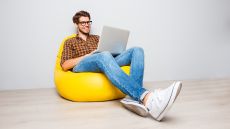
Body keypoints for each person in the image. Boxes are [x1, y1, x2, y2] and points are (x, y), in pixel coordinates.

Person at [60, 10, 182, 121]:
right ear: (76, 24)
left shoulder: (97, 38)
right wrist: (88, 56)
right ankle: (147, 98)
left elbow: (108, 53)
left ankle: (135, 100)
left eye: (88, 22)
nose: (87, 25)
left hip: (105, 60)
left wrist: (115, 50)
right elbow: (65, 65)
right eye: (83, 23)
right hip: (82, 65)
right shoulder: (70, 42)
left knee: (137, 50)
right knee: (103, 55)